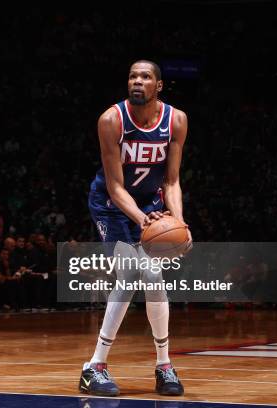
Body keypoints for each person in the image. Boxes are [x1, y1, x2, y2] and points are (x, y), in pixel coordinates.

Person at [79, 61, 191, 397]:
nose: (136, 81)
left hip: (150, 206)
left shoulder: (177, 120)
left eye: (145, 77)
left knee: (154, 278)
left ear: (159, 86)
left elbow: (171, 181)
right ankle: (94, 367)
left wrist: (179, 222)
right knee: (130, 276)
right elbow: (115, 186)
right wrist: (142, 220)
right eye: (131, 76)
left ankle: (164, 366)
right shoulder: (111, 120)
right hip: (112, 206)